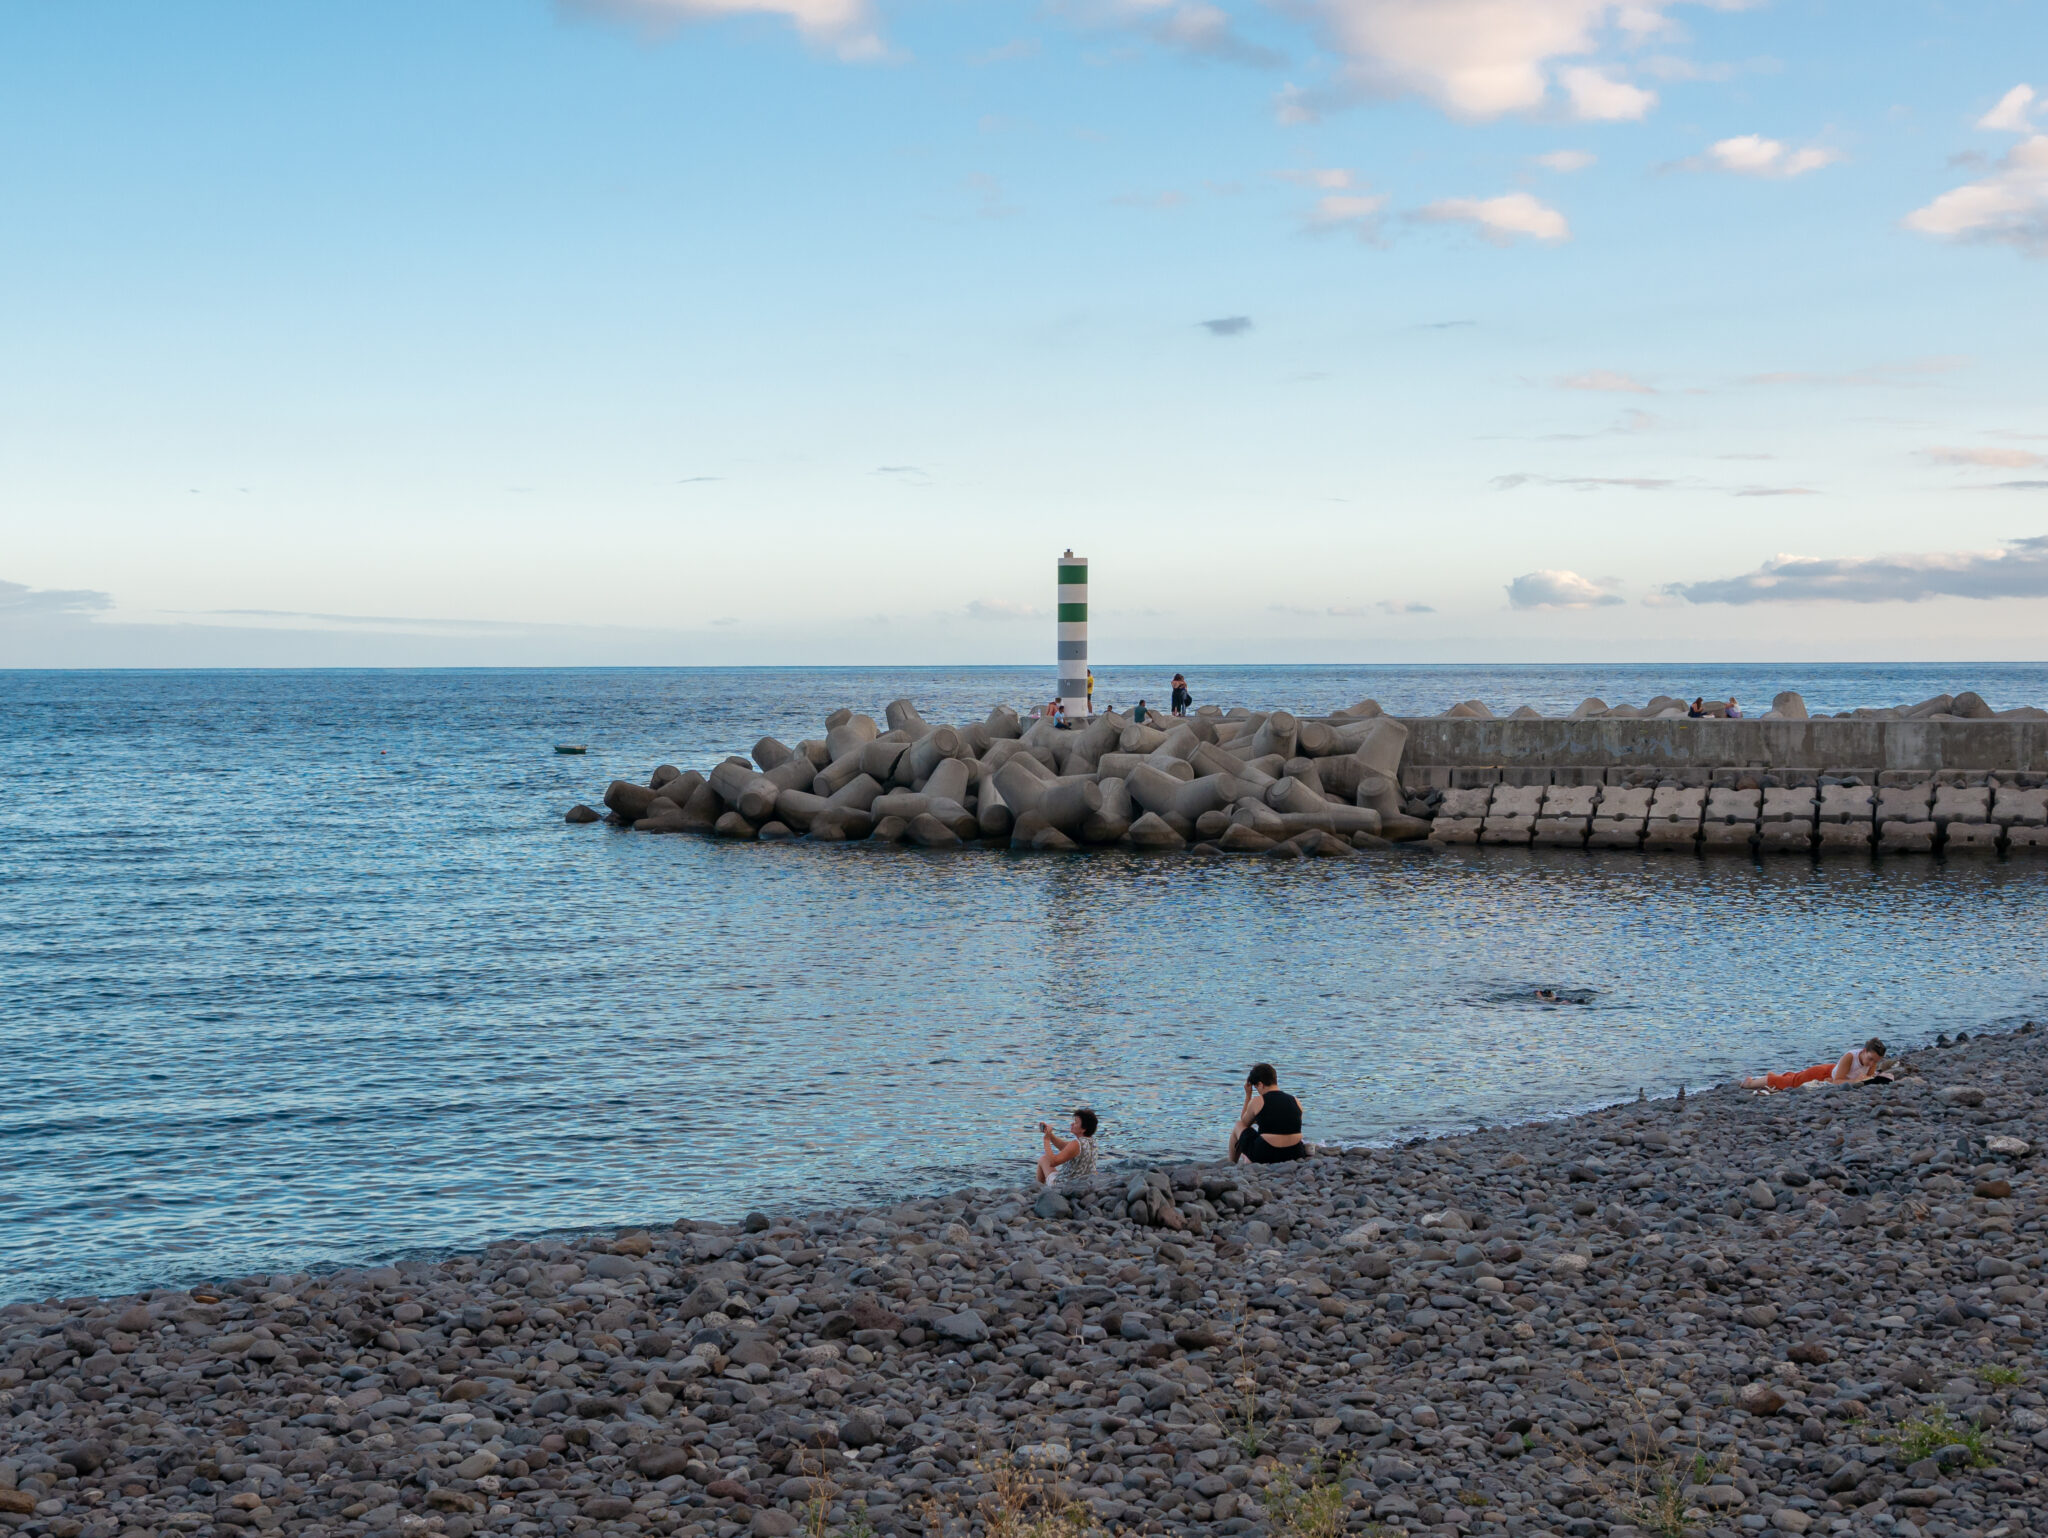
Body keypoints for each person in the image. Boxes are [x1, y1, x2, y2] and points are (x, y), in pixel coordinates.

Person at [1742, 1037, 1887, 1092]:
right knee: (1792, 1083)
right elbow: (1837, 1081)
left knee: (1795, 1077)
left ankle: (1775, 1075)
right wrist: (1856, 1081)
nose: (1872, 1063)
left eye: (1875, 1061)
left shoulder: (1872, 1061)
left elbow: (1866, 1078)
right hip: (1822, 1073)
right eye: (1870, 1059)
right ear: (1863, 1051)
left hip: (1833, 1070)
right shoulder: (1850, 1057)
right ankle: (1749, 1083)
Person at [1230, 1063, 1307, 1164]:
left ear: (1260, 1084)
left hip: (1267, 1153)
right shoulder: (1296, 1101)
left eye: (1256, 1088)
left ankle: (1231, 1163)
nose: (1258, 1091)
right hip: (1295, 1152)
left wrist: (1248, 1094)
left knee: (1238, 1125)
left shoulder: (1258, 1101)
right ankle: (1248, 1159)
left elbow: (1245, 1123)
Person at [1037, 1107, 1098, 1186]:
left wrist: (1046, 1139)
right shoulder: (1092, 1142)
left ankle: (1037, 1190)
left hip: (1065, 1184)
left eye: (1076, 1122)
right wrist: (1050, 1135)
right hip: (1085, 1183)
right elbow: (1064, 1147)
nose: (1072, 1124)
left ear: (1083, 1129)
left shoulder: (1076, 1144)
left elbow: (1053, 1162)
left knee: (1043, 1159)